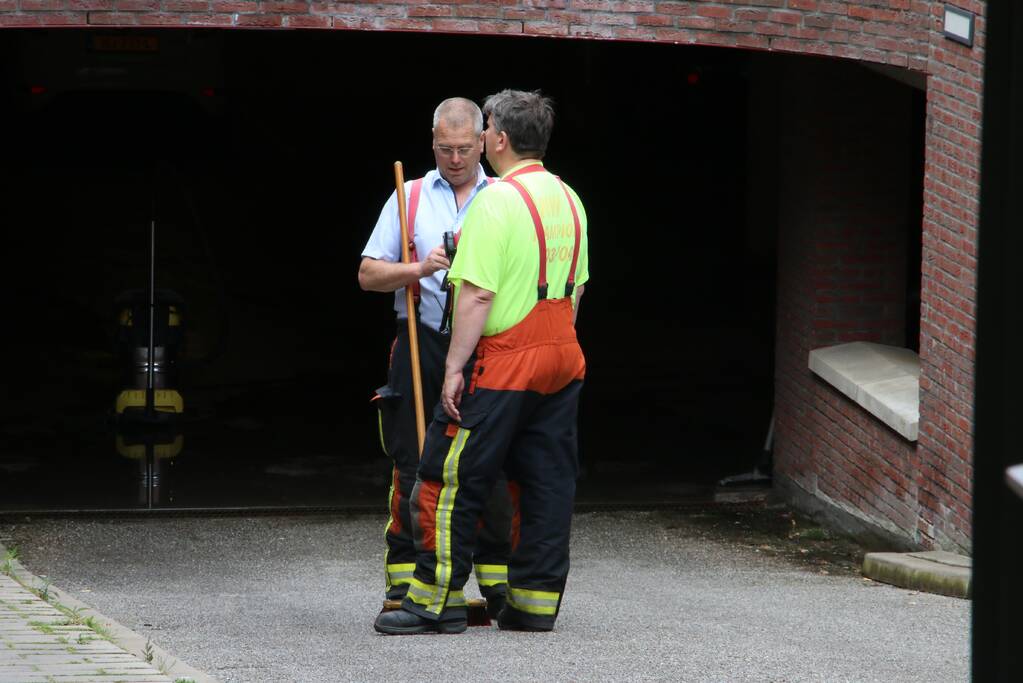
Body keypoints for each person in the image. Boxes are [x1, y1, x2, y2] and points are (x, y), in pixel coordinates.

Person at [374, 89, 588, 635]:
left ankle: (433, 602)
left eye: (484, 133)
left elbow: (476, 295)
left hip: (504, 360)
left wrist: (454, 369)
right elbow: (577, 288)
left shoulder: (497, 201)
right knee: (545, 481)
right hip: (562, 356)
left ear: (498, 139)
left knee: (446, 475)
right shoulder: (569, 198)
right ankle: (534, 606)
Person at [359, 97, 511, 615]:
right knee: (412, 463)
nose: (455, 158)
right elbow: (368, 274)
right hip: (421, 341)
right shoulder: (411, 195)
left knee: (489, 463)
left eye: (465, 149)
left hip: (489, 346)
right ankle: (406, 584)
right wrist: (420, 269)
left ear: (484, 143)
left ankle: (497, 585)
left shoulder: (504, 197)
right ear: (432, 142)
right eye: (445, 148)